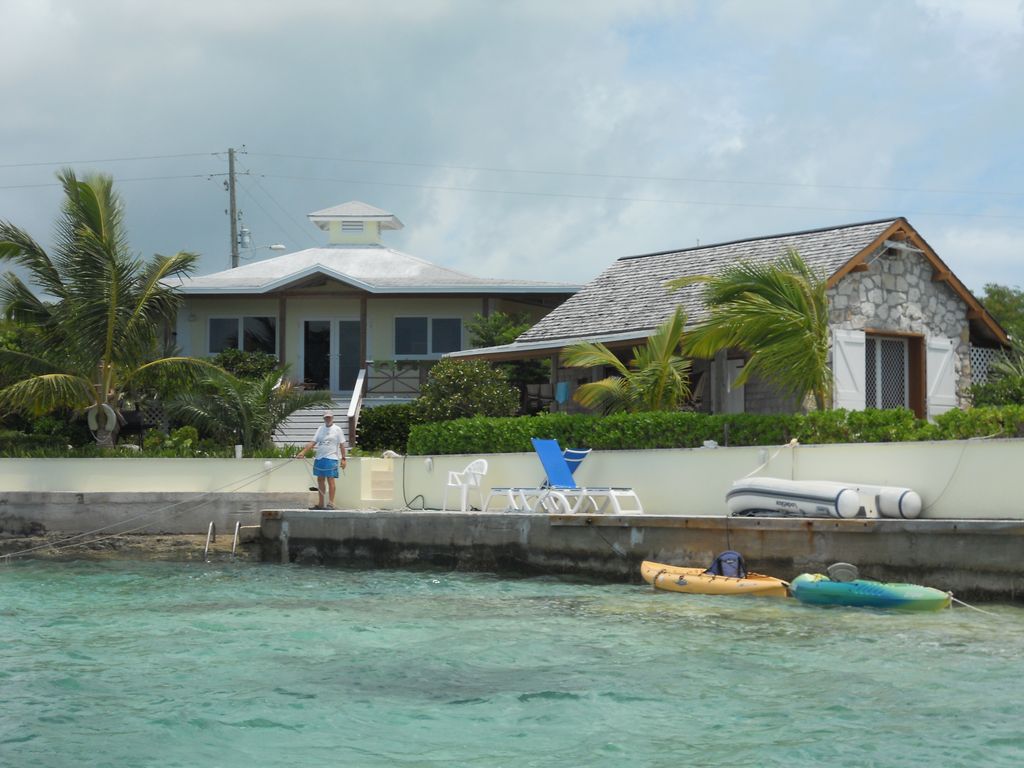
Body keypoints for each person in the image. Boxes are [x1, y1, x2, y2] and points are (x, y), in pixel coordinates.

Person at [296, 410, 347, 510]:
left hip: (331, 458)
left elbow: (342, 445)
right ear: (324, 418)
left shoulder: (337, 429)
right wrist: (303, 452)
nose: (328, 419)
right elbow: (313, 442)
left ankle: (331, 503)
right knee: (320, 480)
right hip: (320, 457)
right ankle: (321, 504)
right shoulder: (320, 429)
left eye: (329, 417)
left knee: (330, 479)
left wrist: (343, 459)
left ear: (332, 418)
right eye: (326, 417)